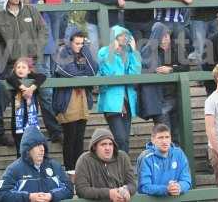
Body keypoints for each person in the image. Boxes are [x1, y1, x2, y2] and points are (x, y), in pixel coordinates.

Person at [0, 0, 63, 143]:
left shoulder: (31, 10)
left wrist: (36, 49)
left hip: (33, 61)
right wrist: (5, 55)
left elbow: (44, 31)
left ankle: (55, 130)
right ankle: (8, 134)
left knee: (45, 94)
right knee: (9, 96)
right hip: (13, 64)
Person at [53, 27, 98, 170]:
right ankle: (69, 169)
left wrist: (85, 51)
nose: (80, 46)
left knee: (80, 137)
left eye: (82, 43)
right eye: (77, 43)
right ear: (69, 42)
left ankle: (79, 169)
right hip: (68, 100)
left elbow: (92, 70)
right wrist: (82, 75)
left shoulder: (83, 53)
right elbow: (68, 71)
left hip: (82, 99)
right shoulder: (63, 52)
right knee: (70, 137)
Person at [139, 22, 189, 143]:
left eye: (168, 35)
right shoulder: (148, 51)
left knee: (176, 135)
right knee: (164, 136)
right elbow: (143, 71)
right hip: (160, 100)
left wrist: (171, 69)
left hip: (176, 97)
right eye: (163, 35)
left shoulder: (177, 48)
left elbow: (186, 67)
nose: (166, 38)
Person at [0, 126, 73, 202]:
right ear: (28, 149)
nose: (42, 149)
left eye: (43, 145)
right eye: (37, 145)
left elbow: (69, 189)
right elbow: (1, 194)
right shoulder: (14, 169)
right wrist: (29, 197)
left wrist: (51, 196)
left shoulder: (54, 166)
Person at [97, 25, 141, 153]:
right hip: (111, 102)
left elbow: (135, 75)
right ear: (114, 37)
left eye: (126, 35)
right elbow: (110, 73)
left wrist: (135, 52)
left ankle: (123, 167)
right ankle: (120, 166)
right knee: (120, 138)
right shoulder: (104, 52)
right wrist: (112, 51)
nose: (124, 38)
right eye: (121, 35)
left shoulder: (129, 53)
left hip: (126, 102)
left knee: (125, 139)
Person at [74, 128, 136, 201]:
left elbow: (132, 184)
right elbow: (81, 190)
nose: (108, 148)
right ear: (94, 147)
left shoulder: (122, 157)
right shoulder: (84, 160)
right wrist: (108, 193)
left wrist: (126, 190)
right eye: (103, 144)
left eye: (110, 144)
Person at [6, 57, 46, 158]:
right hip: (18, 121)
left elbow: (42, 76)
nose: (20, 69)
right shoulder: (13, 79)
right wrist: (24, 89)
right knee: (20, 149)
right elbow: (9, 78)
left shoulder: (32, 79)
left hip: (31, 122)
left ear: (29, 70)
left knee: (32, 148)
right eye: (18, 67)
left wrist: (31, 89)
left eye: (24, 67)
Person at [137, 124, 191, 197]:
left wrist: (179, 187)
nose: (164, 141)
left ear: (171, 138)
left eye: (167, 137)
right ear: (153, 140)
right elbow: (144, 187)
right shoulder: (146, 157)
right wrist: (166, 189)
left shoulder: (179, 154)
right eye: (160, 138)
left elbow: (186, 180)